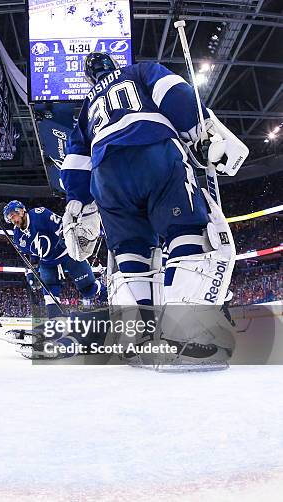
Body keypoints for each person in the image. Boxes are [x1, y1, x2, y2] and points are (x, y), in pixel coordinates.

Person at [59, 52, 248, 366]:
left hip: (106, 177)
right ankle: (182, 334)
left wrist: (76, 201)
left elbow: (75, 160)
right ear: (113, 66)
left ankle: (139, 338)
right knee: (185, 231)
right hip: (153, 151)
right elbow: (175, 93)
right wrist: (200, 133)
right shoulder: (139, 70)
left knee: (132, 250)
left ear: (90, 79)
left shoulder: (85, 110)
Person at [3, 201, 105, 319]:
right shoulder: (17, 237)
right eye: (10, 218)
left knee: (88, 290)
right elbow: (32, 255)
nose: (13, 219)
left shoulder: (39, 214)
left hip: (68, 254)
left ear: (21, 211)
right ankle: (55, 322)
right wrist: (31, 272)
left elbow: (63, 226)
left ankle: (103, 290)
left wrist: (64, 237)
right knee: (50, 294)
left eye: (14, 214)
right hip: (47, 262)